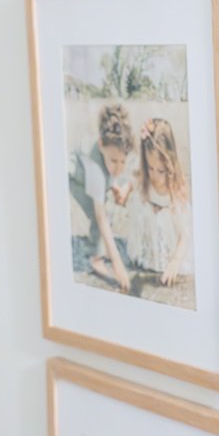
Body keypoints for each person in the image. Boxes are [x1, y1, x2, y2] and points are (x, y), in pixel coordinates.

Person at [68, 102, 135, 293]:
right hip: (74, 175)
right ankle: (95, 258)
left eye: (123, 161)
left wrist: (114, 185)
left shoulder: (109, 148)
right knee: (99, 215)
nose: (119, 167)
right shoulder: (96, 172)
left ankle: (99, 251)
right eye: (114, 161)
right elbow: (101, 217)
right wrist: (118, 264)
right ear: (101, 145)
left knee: (104, 204)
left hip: (88, 167)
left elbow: (113, 170)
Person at [125, 117, 192, 291]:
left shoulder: (174, 190)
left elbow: (184, 235)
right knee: (143, 209)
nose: (154, 175)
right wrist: (125, 191)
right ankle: (149, 254)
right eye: (150, 168)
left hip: (169, 247)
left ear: (169, 164)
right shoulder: (146, 180)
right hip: (149, 244)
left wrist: (175, 262)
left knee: (165, 217)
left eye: (161, 170)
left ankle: (165, 260)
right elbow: (134, 180)